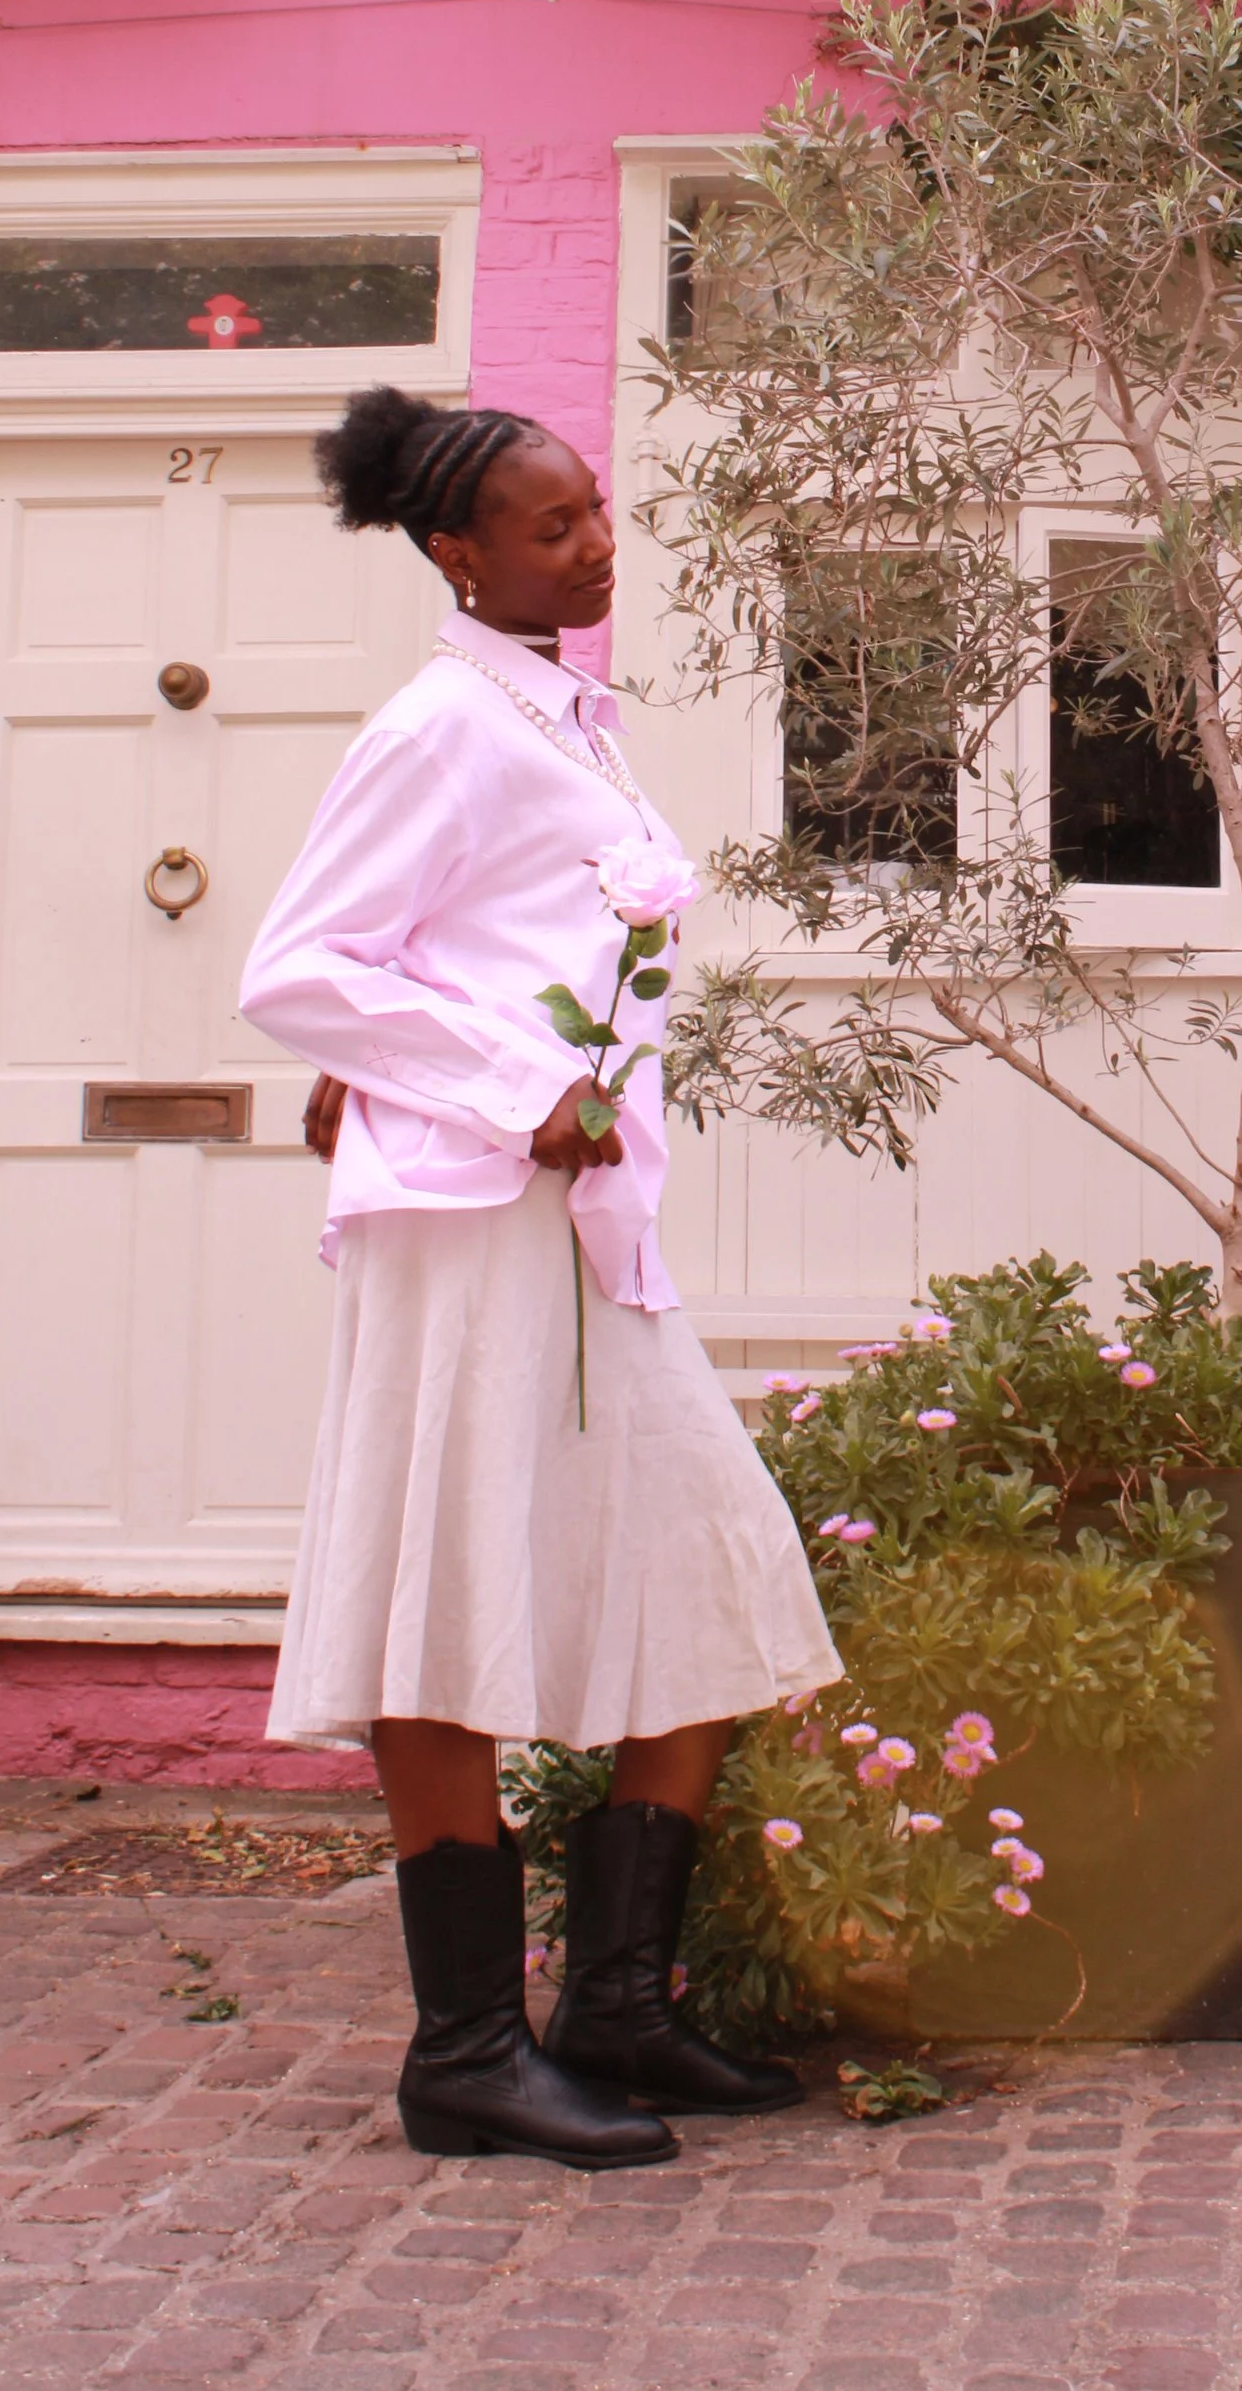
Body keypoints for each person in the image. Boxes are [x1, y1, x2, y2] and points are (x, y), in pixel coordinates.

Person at [241, 385, 841, 2171]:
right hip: (468, 1220)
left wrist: (506, 1074)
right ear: (459, 552)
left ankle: (617, 2002)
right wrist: (522, 1084)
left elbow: (446, 951)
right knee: (446, 1589)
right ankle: (467, 2049)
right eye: (557, 522)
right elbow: (299, 963)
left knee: (704, 1555)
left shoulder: (564, 719)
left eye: (595, 509)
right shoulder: (443, 721)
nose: (597, 542)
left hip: (584, 1224)